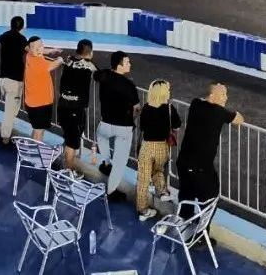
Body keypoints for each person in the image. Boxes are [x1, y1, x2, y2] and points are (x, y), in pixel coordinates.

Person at [175, 83, 244, 223]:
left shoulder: (195, 103)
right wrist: (233, 112)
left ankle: (184, 223)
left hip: (183, 162)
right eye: (223, 94)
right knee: (210, 198)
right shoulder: (220, 112)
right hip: (201, 167)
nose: (226, 98)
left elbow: (203, 100)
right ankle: (201, 230)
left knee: (186, 195)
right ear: (212, 95)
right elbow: (239, 119)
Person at [93, 51, 139, 201]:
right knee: (120, 162)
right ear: (119, 66)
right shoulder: (129, 86)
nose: (130, 64)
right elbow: (136, 108)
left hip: (105, 123)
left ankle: (106, 163)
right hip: (123, 127)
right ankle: (111, 191)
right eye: (127, 62)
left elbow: (96, 74)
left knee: (102, 138)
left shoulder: (105, 75)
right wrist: (133, 117)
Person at [136, 79, 182, 221]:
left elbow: (142, 127)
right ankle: (162, 191)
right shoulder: (169, 109)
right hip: (162, 146)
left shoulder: (146, 108)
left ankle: (143, 210)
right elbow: (177, 125)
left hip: (147, 146)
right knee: (158, 170)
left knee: (143, 179)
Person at [57, 39, 96, 168]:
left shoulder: (68, 59)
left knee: (69, 138)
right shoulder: (89, 65)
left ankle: (66, 166)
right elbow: (100, 75)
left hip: (63, 106)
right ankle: (68, 172)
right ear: (90, 52)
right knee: (72, 144)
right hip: (75, 109)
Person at [22, 36, 63, 141]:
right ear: (30, 49)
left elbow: (38, 51)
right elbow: (54, 65)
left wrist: (50, 51)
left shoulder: (29, 56)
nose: (40, 49)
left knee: (37, 129)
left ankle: (31, 147)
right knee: (39, 132)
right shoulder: (39, 63)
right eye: (36, 47)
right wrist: (60, 59)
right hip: (40, 104)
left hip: (33, 102)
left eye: (41, 46)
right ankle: (36, 150)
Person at [0, 16, 28, 147]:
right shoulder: (22, 40)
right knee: (10, 112)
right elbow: (29, 49)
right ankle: (4, 138)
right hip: (14, 81)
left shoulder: (3, 36)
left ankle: (4, 132)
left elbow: (4, 38)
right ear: (22, 27)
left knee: (12, 109)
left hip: (3, 79)